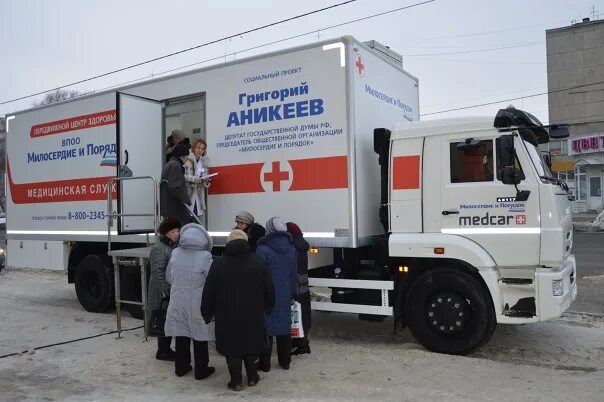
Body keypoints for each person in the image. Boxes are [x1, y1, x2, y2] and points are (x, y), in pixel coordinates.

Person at [201, 229, 275, 391]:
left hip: (226, 314)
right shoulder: (258, 261)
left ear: (229, 243)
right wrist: (269, 306)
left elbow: (209, 290)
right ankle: (253, 377)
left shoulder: (219, 263)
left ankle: (235, 381)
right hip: (253, 313)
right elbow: (269, 287)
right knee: (251, 343)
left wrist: (206, 311)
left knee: (231, 345)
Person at [164, 223, 216, 380]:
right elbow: (211, 281)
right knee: (200, 335)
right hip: (197, 302)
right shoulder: (205, 256)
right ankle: (201, 370)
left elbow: (168, 277)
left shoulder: (176, 253)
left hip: (177, 300)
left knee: (181, 334)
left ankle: (181, 367)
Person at [256, 217, 297, 371]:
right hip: (285, 292)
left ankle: (264, 364)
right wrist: (291, 291)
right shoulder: (291, 248)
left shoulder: (263, 249)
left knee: (266, 328)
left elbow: (259, 274)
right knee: (284, 326)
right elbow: (293, 274)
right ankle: (285, 361)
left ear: (270, 230)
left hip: (267, 293)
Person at [147, 217, 180, 361]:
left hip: (169, 289)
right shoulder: (159, 248)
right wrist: (165, 291)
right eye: (173, 231)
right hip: (161, 292)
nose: (176, 234)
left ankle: (165, 349)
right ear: (166, 232)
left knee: (168, 319)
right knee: (162, 318)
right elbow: (157, 272)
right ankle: (163, 351)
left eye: (178, 231)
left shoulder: (172, 245)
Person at [286, 222, 311, 355]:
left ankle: (301, 345)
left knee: (296, 314)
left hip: (296, 286)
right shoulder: (302, 245)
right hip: (303, 285)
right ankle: (302, 343)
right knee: (303, 313)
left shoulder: (293, 248)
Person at [160, 144, 192, 226]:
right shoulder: (176, 166)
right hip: (176, 209)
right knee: (182, 231)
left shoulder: (169, 164)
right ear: (183, 156)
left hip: (169, 207)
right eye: (187, 158)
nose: (186, 160)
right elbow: (176, 187)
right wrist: (187, 200)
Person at [184, 139, 211, 221]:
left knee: (197, 218)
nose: (200, 151)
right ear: (193, 148)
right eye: (198, 148)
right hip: (188, 192)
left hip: (199, 194)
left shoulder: (204, 161)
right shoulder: (187, 159)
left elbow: (205, 175)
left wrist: (206, 180)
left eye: (203, 149)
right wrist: (193, 179)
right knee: (187, 217)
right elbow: (181, 176)